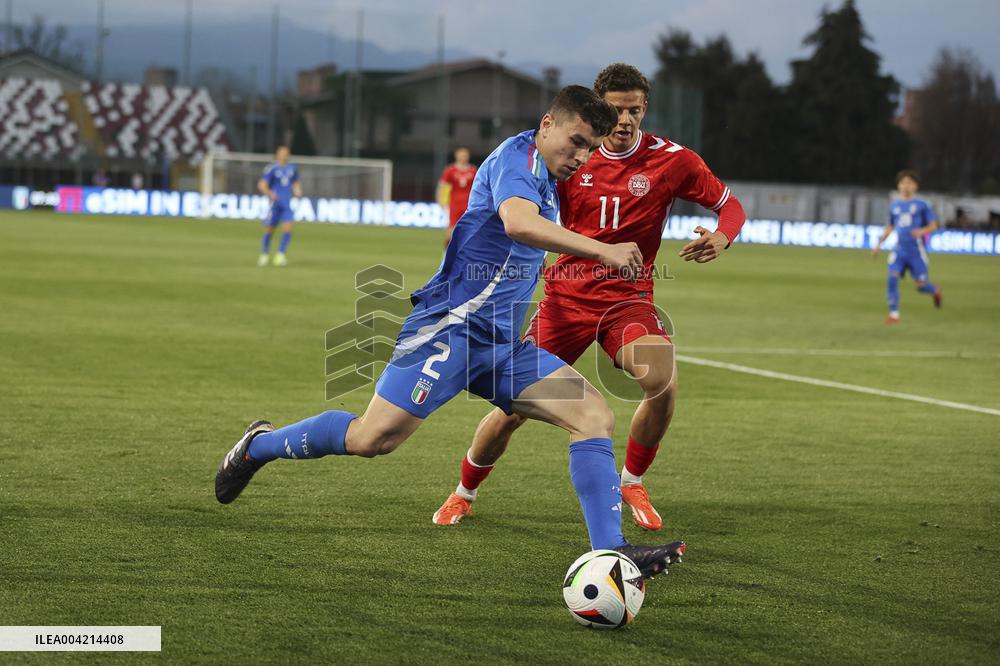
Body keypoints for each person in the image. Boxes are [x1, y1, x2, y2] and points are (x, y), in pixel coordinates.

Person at [216, 85, 686, 578]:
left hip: (500, 345)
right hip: (450, 330)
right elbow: (518, 224)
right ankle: (257, 446)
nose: (582, 156)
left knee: (592, 415)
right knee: (372, 439)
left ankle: (611, 551)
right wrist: (602, 249)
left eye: (590, 147)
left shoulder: (548, 177)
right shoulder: (517, 159)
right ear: (547, 125)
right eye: (575, 141)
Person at [432, 63, 746, 531]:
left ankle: (632, 481)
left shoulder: (672, 160)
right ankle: (464, 492)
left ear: (645, 110)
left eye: (634, 110)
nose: (625, 120)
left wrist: (723, 236)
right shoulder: (572, 154)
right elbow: (526, 211)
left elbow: (729, 205)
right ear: (599, 109)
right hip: (565, 301)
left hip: (628, 302)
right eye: (616, 110)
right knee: (510, 410)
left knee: (663, 382)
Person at [872, 169, 942, 324]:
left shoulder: (922, 205)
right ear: (898, 186)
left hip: (917, 252)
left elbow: (934, 225)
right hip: (899, 250)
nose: (906, 186)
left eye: (910, 183)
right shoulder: (894, 205)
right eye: (903, 183)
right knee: (892, 278)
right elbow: (890, 226)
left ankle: (935, 290)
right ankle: (894, 314)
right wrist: (879, 244)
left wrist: (922, 231)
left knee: (921, 287)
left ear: (916, 186)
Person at [258, 145, 302, 267]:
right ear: (277, 154)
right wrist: (270, 193)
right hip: (275, 204)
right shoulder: (271, 168)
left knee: (288, 228)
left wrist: (298, 191)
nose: (284, 155)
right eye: (282, 153)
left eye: (286, 153)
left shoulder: (293, 168)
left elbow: (295, 182)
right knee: (269, 230)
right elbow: (262, 185)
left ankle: (280, 255)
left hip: (287, 203)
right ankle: (264, 254)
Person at [437, 147, 478, 248]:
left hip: (469, 204)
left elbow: (478, 187)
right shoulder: (450, 170)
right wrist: (440, 201)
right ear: (457, 156)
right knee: (451, 228)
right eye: (461, 155)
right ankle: (447, 251)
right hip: (454, 204)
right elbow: (442, 186)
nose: (463, 157)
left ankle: (466, 249)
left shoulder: (473, 170)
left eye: (465, 155)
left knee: (469, 228)